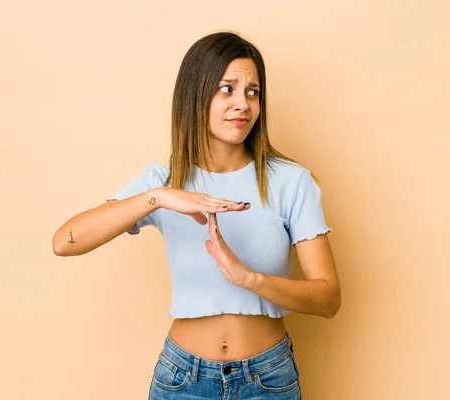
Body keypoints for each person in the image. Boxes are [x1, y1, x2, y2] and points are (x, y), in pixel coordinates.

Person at [52, 31, 341, 399]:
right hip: (182, 379)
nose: (243, 104)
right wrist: (158, 198)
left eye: (253, 92)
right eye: (227, 89)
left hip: (268, 379)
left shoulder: (289, 181)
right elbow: (64, 242)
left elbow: (328, 299)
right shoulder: (163, 182)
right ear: (196, 94)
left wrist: (249, 279)